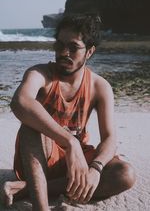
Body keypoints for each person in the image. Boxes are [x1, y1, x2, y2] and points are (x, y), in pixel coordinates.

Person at [2, 14, 135, 210]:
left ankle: (24, 189)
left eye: (73, 47)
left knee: (125, 174)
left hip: (76, 163)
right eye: (60, 45)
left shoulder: (99, 86)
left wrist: (96, 170)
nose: (64, 52)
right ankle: (41, 206)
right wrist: (70, 142)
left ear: (89, 52)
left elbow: (109, 137)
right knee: (31, 127)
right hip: (39, 159)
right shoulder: (40, 74)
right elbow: (20, 101)